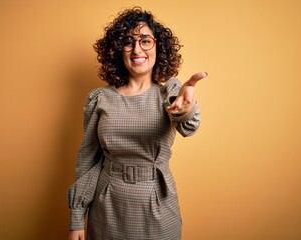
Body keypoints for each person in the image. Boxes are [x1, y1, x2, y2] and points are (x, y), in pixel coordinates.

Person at [67, 6, 207, 240]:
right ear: (117, 50)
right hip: (107, 205)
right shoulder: (100, 99)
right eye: (129, 42)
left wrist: (186, 110)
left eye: (145, 41)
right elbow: (88, 160)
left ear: (158, 47)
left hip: (158, 204)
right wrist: (76, 219)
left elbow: (188, 125)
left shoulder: (169, 93)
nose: (137, 49)